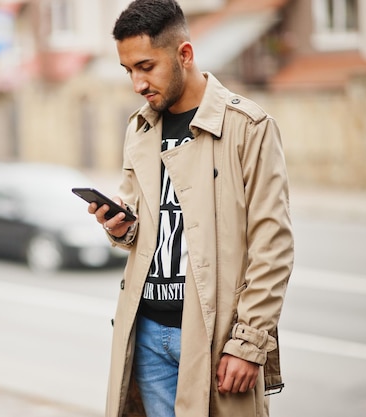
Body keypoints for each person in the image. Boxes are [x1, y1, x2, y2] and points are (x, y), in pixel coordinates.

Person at [85, 1, 294, 416]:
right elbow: (140, 227)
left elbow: (273, 247)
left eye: (146, 66)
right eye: (129, 71)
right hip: (145, 331)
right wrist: (119, 226)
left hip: (216, 339)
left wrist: (249, 342)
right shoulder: (140, 128)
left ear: (184, 54)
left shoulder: (247, 127)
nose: (137, 84)